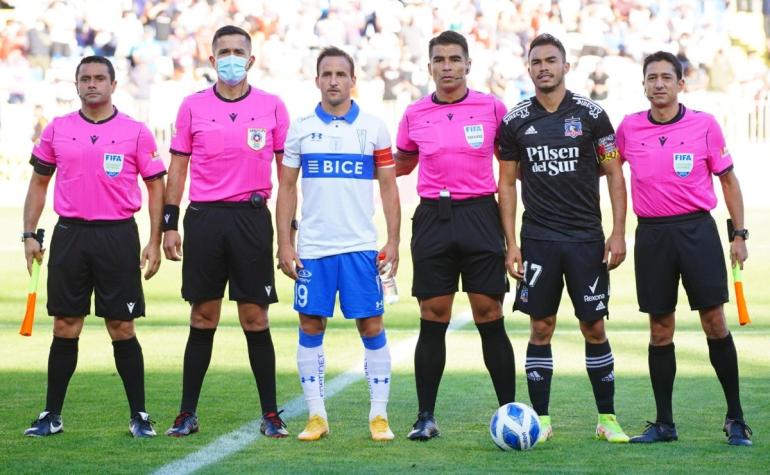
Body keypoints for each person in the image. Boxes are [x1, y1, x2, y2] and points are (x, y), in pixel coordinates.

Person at [22, 55, 165, 438]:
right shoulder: (57, 130)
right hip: (70, 235)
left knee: (122, 325)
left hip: (118, 236)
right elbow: (38, 184)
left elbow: (155, 187)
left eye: (99, 78)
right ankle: (51, 414)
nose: (92, 84)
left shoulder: (135, 131)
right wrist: (29, 233)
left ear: (114, 85)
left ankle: (140, 416)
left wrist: (153, 239)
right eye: (85, 78)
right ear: (76, 85)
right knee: (65, 325)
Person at [498, 33, 629, 443]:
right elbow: (505, 185)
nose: (543, 67)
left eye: (550, 61)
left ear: (565, 66)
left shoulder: (593, 116)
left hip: (586, 239)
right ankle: (541, 419)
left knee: (593, 327)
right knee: (542, 327)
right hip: (538, 239)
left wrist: (619, 232)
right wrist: (512, 244)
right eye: (536, 61)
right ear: (529, 68)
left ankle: (607, 419)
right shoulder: (515, 121)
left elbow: (613, 174)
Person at [617, 51, 752, 446]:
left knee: (715, 321)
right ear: (643, 84)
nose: (658, 84)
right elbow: (610, 173)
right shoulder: (628, 128)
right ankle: (664, 423)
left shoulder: (704, 125)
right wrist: (615, 230)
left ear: (681, 84)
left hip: (697, 232)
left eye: (666, 77)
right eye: (651, 77)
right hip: (653, 236)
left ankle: (736, 419)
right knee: (660, 329)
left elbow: (728, 181)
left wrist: (739, 234)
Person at [162, 25, 289, 438]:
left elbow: (286, 177)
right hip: (204, 220)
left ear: (251, 60)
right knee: (203, 316)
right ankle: (186, 414)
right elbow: (178, 168)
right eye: (224, 52)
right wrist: (170, 224)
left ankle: (271, 414)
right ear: (212, 60)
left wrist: (287, 231)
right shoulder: (192, 106)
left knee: (255, 317)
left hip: (251, 220)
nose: (232, 58)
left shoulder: (271, 106)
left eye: (239, 51)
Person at [395, 30, 516, 441]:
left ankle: (510, 412)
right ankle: (425, 416)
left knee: (489, 315)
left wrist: (512, 237)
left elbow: (510, 171)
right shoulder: (414, 114)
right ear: (429, 66)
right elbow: (402, 164)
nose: (447, 67)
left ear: (468, 64)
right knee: (433, 316)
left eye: (454, 59)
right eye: (439, 60)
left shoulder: (492, 108)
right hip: (433, 217)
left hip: (480, 214)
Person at [276, 46, 401, 442]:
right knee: (311, 325)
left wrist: (394, 240)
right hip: (313, 247)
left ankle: (378, 417)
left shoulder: (374, 127)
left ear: (352, 80)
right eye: (326, 74)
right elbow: (287, 188)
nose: (333, 80)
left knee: (372, 325)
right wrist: (285, 243)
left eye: (340, 74)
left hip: (360, 247)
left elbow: (388, 186)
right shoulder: (299, 128)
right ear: (317, 80)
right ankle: (316, 416)